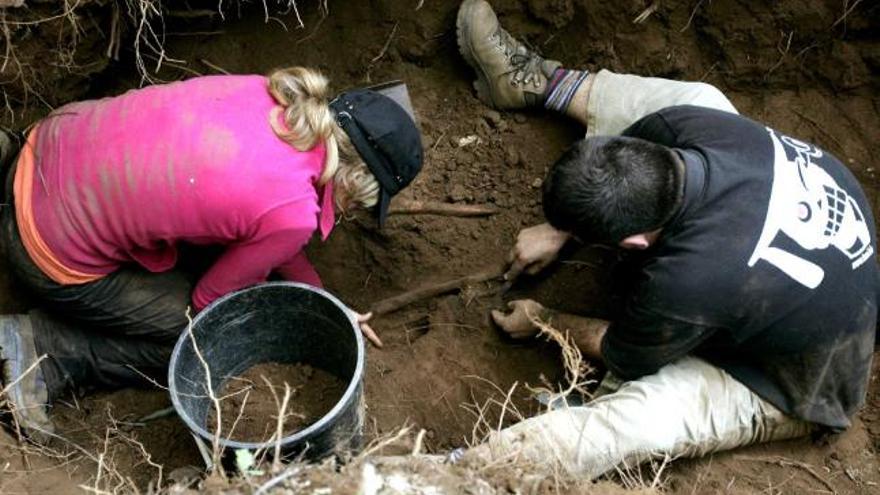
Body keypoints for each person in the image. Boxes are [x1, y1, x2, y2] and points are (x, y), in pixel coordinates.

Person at [456, 0, 877, 479]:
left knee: (630, 421)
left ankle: (452, 476)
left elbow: (618, 347)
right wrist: (560, 228)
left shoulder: (685, 281)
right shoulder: (681, 127)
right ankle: (535, 80)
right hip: (796, 251)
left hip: (800, 384)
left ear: (634, 242)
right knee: (703, 95)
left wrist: (544, 319)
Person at [0, 67, 423, 442]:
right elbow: (208, 305)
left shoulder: (272, 93)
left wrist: (325, 302)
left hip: (41, 149)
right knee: (198, 341)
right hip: (43, 245)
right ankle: (47, 352)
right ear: (356, 180)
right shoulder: (292, 216)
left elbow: (272, 226)